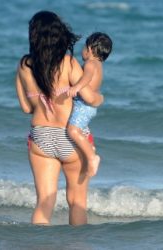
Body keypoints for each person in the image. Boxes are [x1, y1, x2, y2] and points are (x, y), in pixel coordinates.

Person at [15, 11, 93, 225]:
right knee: (77, 201)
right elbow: (87, 97)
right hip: (71, 137)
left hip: (40, 136)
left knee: (43, 203)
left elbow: (25, 107)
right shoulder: (68, 62)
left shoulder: (24, 65)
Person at [66, 32, 112, 177]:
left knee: (72, 131)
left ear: (90, 49)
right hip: (88, 106)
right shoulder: (99, 64)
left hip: (83, 106)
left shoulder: (90, 63)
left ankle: (92, 157)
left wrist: (76, 87)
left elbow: (87, 77)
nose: (82, 51)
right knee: (79, 130)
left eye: (84, 47)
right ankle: (88, 147)